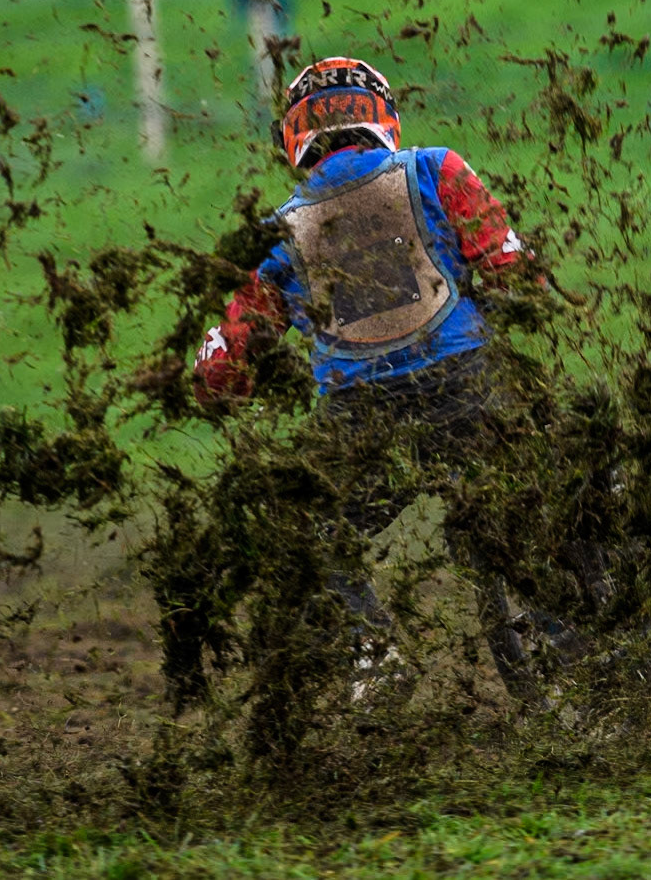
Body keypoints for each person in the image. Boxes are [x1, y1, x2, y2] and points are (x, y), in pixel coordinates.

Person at [192, 56, 550, 702]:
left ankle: (373, 645)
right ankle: (582, 621)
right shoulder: (434, 170)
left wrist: (209, 373)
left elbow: (225, 365)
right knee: (543, 488)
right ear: (381, 117)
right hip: (470, 390)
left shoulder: (280, 234)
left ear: (296, 140)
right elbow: (515, 275)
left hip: (363, 422)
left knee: (303, 527)